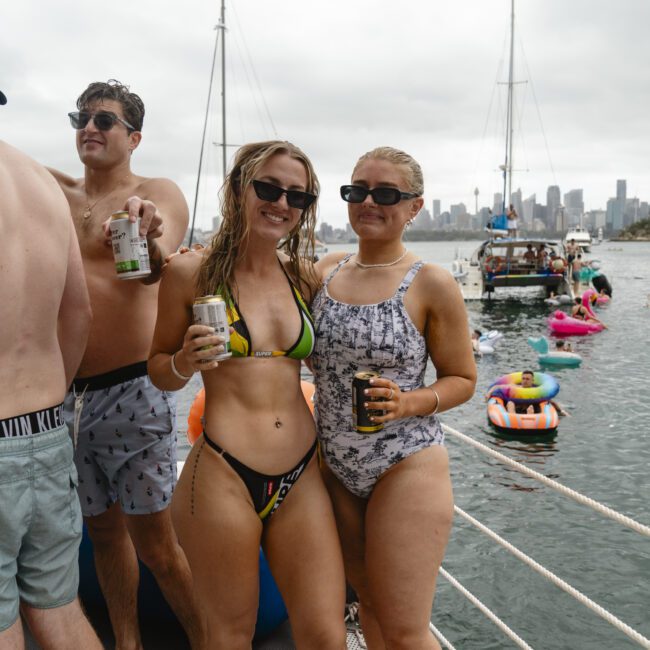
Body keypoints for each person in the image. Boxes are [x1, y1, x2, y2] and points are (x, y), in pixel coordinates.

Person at [148, 141, 346, 648]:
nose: (281, 203)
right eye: (268, 188)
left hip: (302, 472)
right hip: (223, 474)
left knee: (326, 634)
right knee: (229, 635)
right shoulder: (191, 273)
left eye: (296, 197)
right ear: (238, 189)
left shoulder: (302, 276)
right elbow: (159, 372)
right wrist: (183, 362)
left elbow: (366, 273)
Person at [48, 80, 203, 649]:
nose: (90, 126)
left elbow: (161, 256)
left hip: (133, 391)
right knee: (104, 535)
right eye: (81, 117)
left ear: (134, 137)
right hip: (68, 396)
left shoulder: (151, 189)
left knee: (158, 546)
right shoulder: (55, 193)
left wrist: (150, 234)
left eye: (105, 120)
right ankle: (127, 644)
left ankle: (207, 642)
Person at [311, 147, 477, 649]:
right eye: (357, 191)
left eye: (386, 194)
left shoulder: (431, 282)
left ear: (414, 207)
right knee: (370, 612)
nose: (368, 202)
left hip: (406, 463)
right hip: (334, 465)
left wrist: (408, 402)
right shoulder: (326, 270)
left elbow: (462, 378)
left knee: (405, 631)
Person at [0, 139, 101, 649]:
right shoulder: (40, 180)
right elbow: (79, 313)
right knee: (60, 613)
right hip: (45, 431)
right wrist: (48, 396)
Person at [505, 371, 569, 416]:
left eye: (527, 379)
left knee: (531, 407)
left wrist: (561, 411)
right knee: (510, 403)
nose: (525, 381)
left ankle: (530, 416)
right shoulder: (516, 389)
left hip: (532, 410)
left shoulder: (537, 391)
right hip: (517, 410)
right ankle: (512, 417)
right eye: (523, 378)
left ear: (532, 381)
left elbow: (550, 401)